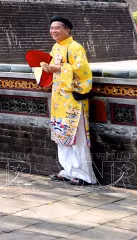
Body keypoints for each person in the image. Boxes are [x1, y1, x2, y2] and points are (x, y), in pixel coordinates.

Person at [40, 15, 97, 186]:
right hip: (58, 100)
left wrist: (59, 68)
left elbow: (83, 71)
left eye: (57, 28)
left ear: (67, 30)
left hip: (73, 100)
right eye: (51, 28)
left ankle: (85, 175)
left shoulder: (75, 47)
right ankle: (68, 171)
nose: (53, 31)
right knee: (61, 136)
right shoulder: (56, 48)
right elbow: (53, 70)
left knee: (77, 138)